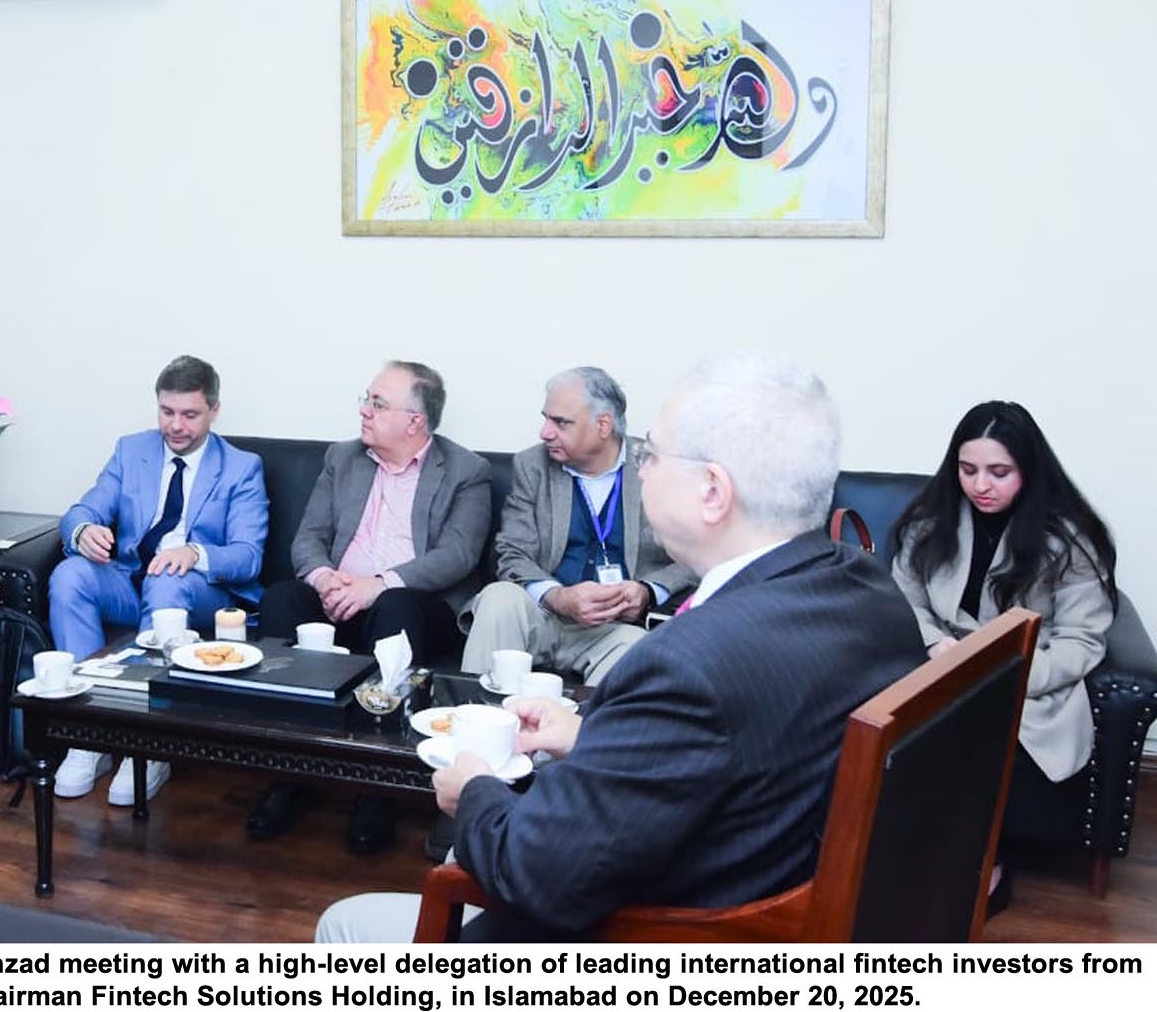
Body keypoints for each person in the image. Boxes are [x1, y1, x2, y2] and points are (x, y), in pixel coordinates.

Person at [317, 353, 927, 941]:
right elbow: (729, 751)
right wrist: (591, 735)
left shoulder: (687, 664)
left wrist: (475, 789)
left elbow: (538, 872)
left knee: (345, 923)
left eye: (652, 454)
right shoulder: (870, 593)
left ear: (712, 492)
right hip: (774, 898)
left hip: (650, 931)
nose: (640, 468)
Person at [252, 360, 491, 852]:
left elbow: (458, 555)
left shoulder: (465, 471)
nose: (364, 410)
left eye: (378, 404)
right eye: (367, 399)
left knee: (395, 608)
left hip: (416, 606)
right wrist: (326, 580)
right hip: (338, 597)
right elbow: (309, 538)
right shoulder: (343, 459)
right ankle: (289, 772)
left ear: (414, 421)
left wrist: (376, 586)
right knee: (281, 600)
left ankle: (376, 786)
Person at [890, 400, 1115, 913]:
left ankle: (985, 870)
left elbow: (1083, 640)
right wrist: (934, 644)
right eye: (967, 470)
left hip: (1028, 682)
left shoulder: (1067, 539)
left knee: (983, 750)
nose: (980, 485)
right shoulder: (929, 523)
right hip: (936, 669)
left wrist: (1007, 673)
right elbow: (903, 602)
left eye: (998, 472)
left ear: (1027, 471)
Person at [48, 355, 269, 803]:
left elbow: (248, 557)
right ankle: (89, 733)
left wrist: (195, 553)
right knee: (70, 574)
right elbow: (82, 509)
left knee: (167, 578)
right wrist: (83, 530)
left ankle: (148, 743)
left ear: (214, 410)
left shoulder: (241, 467)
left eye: (190, 414)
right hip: (132, 580)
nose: (176, 426)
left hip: (199, 592)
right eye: (167, 412)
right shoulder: (132, 451)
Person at [461, 367, 692, 685]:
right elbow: (511, 553)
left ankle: (590, 719)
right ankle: (473, 708)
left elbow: (695, 555)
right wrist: (557, 597)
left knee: (636, 647)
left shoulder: (657, 469)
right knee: (500, 598)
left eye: (561, 422)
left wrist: (648, 591)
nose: (545, 432)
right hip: (543, 615)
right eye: (546, 419)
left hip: (615, 629)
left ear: (603, 425)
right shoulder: (532, 466)